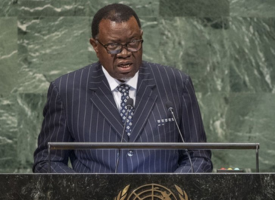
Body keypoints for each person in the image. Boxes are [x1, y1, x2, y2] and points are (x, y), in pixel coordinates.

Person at [33, 3, 212, 173]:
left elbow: (198, 156)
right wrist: (86, 188)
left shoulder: (176, 84)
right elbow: (48, 162)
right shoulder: (66, 91)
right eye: (113, 46)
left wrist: (167, 189)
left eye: (133, 42)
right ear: (95, 46)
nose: (125, 53)